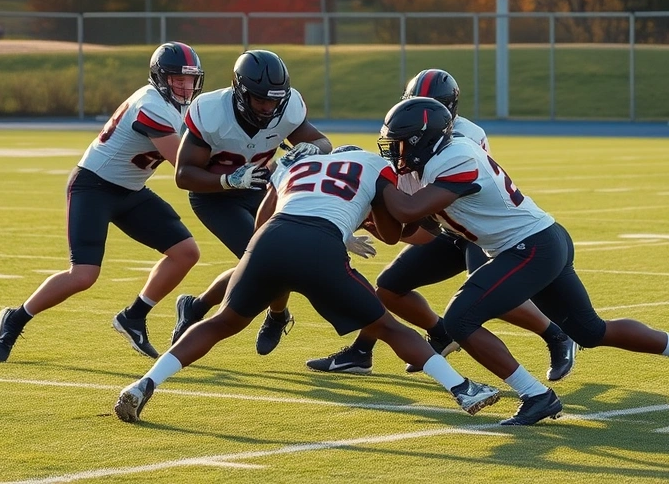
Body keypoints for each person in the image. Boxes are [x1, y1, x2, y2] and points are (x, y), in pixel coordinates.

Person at [375, 97, 669, 426]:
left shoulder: (456, 155)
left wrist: (376, 185)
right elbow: (407, 228)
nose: (397, 150)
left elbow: (409, 209)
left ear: (425, 138)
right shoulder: (424, 166)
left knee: (460, 318)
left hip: (532, 246)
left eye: (403, 141)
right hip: (533, 243)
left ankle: (536, 396)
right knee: (591, 331)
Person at [114, 145, 502, 422]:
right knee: (386, 326)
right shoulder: (370, 163)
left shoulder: (293, 168)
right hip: (319, 244)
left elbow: (260, 225)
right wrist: (351, 222)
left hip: (271, 239)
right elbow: (389, 233)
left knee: (221, 323)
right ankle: (462, 388)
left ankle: (146, 382)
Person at [306, 69, 577, 381]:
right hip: (442, 220)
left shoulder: (463, 138)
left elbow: (420, 203)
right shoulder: (405, 129)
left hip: (471, 224)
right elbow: (401, 185)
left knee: (485, 292)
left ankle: (556, 336)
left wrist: (383, 208)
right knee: (390, 287)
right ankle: (429, 336)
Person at [0, 42, 205, 362]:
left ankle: (133, 317)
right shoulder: (150, 105)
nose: (185, 86)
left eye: (190, 80)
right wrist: (230, 176)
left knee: (186, 252)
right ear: (160, 78)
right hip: (94, 186)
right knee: (83, 275)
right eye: (178, 79)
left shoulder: (180, 106)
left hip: (129, 190)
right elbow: (183, 164)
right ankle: (15, 318)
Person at [171, 49, 332, 356]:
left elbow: (323, 141)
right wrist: (227, 180)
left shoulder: (287, 109)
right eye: (261, 99)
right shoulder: (212, 112)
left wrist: (312, 149)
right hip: (214, 196)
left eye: (275, 100)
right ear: (240, 92)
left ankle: (197, 306)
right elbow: (184, 174)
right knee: (269, 258)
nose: (269, 107)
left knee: (265, 259)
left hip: (260, 188)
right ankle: (276, 316)